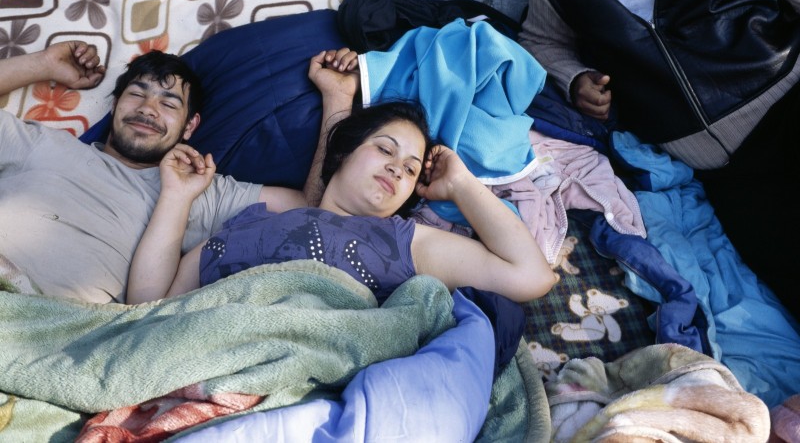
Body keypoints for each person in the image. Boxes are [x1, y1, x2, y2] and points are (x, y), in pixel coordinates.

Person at [518, 0, 800, 317]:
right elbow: (541, 41)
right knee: (784, 269)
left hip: (790, 107)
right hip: (723, 171)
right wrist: (575, 78)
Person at [125, 58, 557, 305]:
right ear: (342, 154)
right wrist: (177, 197)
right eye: (386, 150)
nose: (396, 168)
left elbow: (531, 276)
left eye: (410, 169)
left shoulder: (408, 242)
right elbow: (146, 306)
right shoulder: (243, 223)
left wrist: (462, 185)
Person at [0, 42, 348, 304]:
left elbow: (313, 211)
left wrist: (337, 99)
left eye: (168, 103)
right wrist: (42, 63)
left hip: (47, 324)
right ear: (115, 106)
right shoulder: (45, 144)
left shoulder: (195, 189)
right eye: (136, 95)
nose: (147, 109)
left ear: (189, 126)